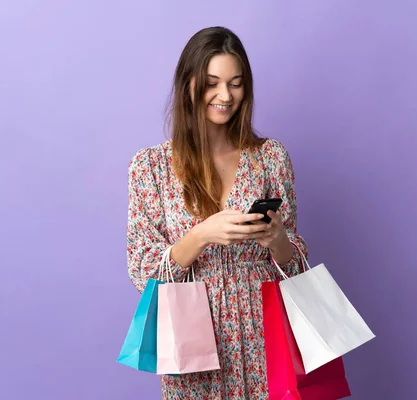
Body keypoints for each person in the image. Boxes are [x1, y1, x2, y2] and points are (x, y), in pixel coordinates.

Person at [126, 26, 308, 399]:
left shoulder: (270, 158)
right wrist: (201, 235)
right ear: (188, 84)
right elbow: (142, 270)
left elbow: (296, 266)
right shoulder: (151, 168)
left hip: (265, 331)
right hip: (192, 337)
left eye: (236, 83)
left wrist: (279, 242)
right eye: (212, 83)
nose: (226, 95)